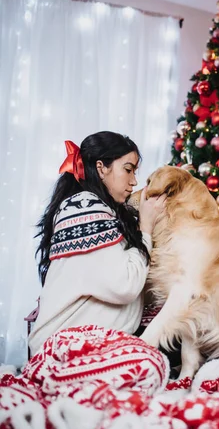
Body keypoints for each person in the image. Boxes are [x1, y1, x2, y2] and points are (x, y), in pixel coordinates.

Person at [28, 131, 165, 356]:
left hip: (87, 345)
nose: (134, 181)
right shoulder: (85, 207)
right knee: (151, 365)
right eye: (128, 169)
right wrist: (146, 228)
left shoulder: (101, 209)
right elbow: (126, 285)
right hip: (65, 349)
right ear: (101, 168)